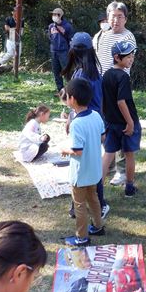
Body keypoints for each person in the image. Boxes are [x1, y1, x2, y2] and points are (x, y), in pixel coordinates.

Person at [61, 32, 109, 219]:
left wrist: (70, 119)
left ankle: (86, 204)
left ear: (74, 50)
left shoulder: (80, 74)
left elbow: (76, 103)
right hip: (96, 120)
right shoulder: (96, 72)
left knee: (81, 166)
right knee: (93, 163)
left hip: (83, 120)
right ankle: (94, 203)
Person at [93, 2, 137, 186]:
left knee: (122, 128)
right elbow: (97, 58)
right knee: (107, 126)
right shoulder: (102, 35)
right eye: (112, 15)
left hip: (119, 86)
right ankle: (108, 165)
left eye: (119, 16)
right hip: (102, 86)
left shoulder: (128, 37)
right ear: (107, 17)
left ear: (125, 18)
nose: (116, 19)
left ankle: (120, 170)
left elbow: (127, 64)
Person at [61, 78, 106, 246]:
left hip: (80, 172)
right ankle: (98, 226)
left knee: (79, 204)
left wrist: (64, 150)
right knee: (93, 198)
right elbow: (102, 136)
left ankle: (82, 237)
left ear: (72, 99)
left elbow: (77, 151)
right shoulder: (95, 115)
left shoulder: (77, 123)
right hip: (94, 169)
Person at [102, 41, 141, 197]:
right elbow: (121, 101)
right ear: (117, 57)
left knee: (108, 154)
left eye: (132, 55)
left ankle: (98, 188)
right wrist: (130, 122)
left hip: (111, 123)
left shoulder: (106, 74)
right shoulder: (123, 76)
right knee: (129, 154)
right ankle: (129, 188)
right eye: (128, 56)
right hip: (125, 124)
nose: (131, 59)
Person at [47, 7, 74, 93]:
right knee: (56, 71)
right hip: (54, 51)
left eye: (55, 14)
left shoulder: (67, 26)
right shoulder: (51, 26)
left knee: (67, 71)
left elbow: (71, 39)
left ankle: (71, 89)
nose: (53, 16)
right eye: (53, 14)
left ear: (60, 15)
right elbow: (50, 37)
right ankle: (60, 90)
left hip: (64, 52)